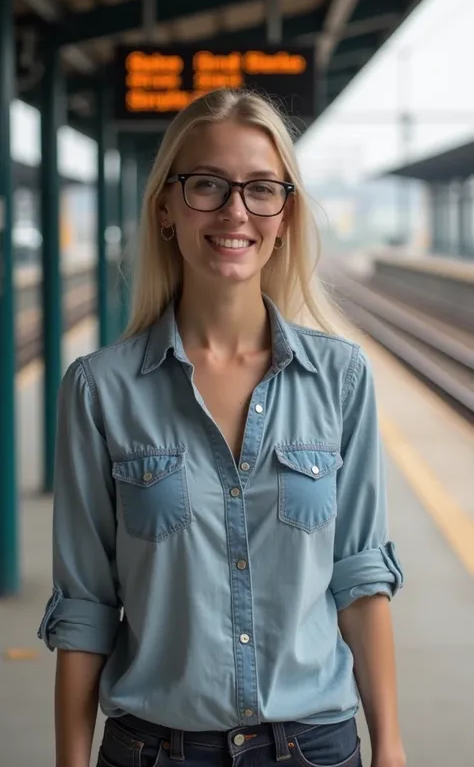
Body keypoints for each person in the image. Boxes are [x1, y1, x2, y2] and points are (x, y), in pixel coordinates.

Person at [38, 88, 405, 767]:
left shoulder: (341, 379)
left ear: (285, 215)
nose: (235, 210)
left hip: (315, 748)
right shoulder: (101, 389)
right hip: (155, 751)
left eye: (261, 188)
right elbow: (86, 605)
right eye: (207, 185)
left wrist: (391, 749)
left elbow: (359, 581)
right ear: (166, 209)